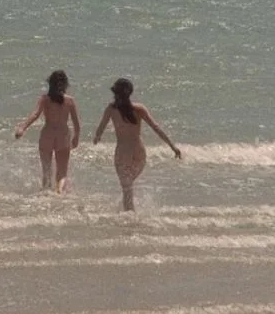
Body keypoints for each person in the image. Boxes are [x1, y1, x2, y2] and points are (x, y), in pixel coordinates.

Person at [93, 78, 181, 211]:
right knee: (128, 186)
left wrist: (97, 137)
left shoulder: (111, 109)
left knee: (126, 187)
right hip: (138, 152)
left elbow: (101, 128)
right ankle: (130, 211)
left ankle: (129, 215)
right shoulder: (139, 109)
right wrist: (172, 146)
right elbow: (156, 127)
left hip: (122, 153)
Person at [15, 70, 81, 193]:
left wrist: (23, 127)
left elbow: (35, 114)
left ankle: (46, 194)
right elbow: (76, 123)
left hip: (47, 135)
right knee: (62, 173)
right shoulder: (70, 101)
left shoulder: (45, 99)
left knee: (46, 172)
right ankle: (59, 191)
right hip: (63, 136)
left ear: (50, 84)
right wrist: (76, 137)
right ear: (65, 84)